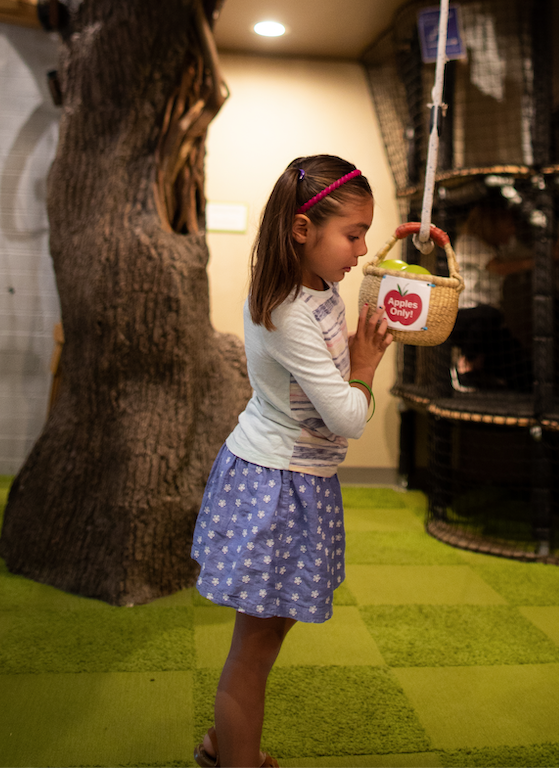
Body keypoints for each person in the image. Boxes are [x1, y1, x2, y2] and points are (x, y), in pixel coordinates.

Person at [190, 155, 393, 768]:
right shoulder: (286, 309)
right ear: (303, 230)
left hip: (301, 481)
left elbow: (356, 305)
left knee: (269, 634)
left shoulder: (319, 286)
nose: (360, 251)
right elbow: (349, 419)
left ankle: (223, 744)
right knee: (253, 649)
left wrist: (398, 259)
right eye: (353, 235)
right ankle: (235, 761)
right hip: (273, 485)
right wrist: (364, 367)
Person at [448, 199, 532, 392]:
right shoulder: (467, 242)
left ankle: (487, 372)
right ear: (492, 224)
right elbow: (498, 267)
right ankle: (464, 365)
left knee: (523, 370)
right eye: (509, 224)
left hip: (490, 323)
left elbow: (529, 254)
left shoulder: (501, 246)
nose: (513, 230)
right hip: (463, 318)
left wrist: (558, 253)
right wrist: (531, 262)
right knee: (489, 314)